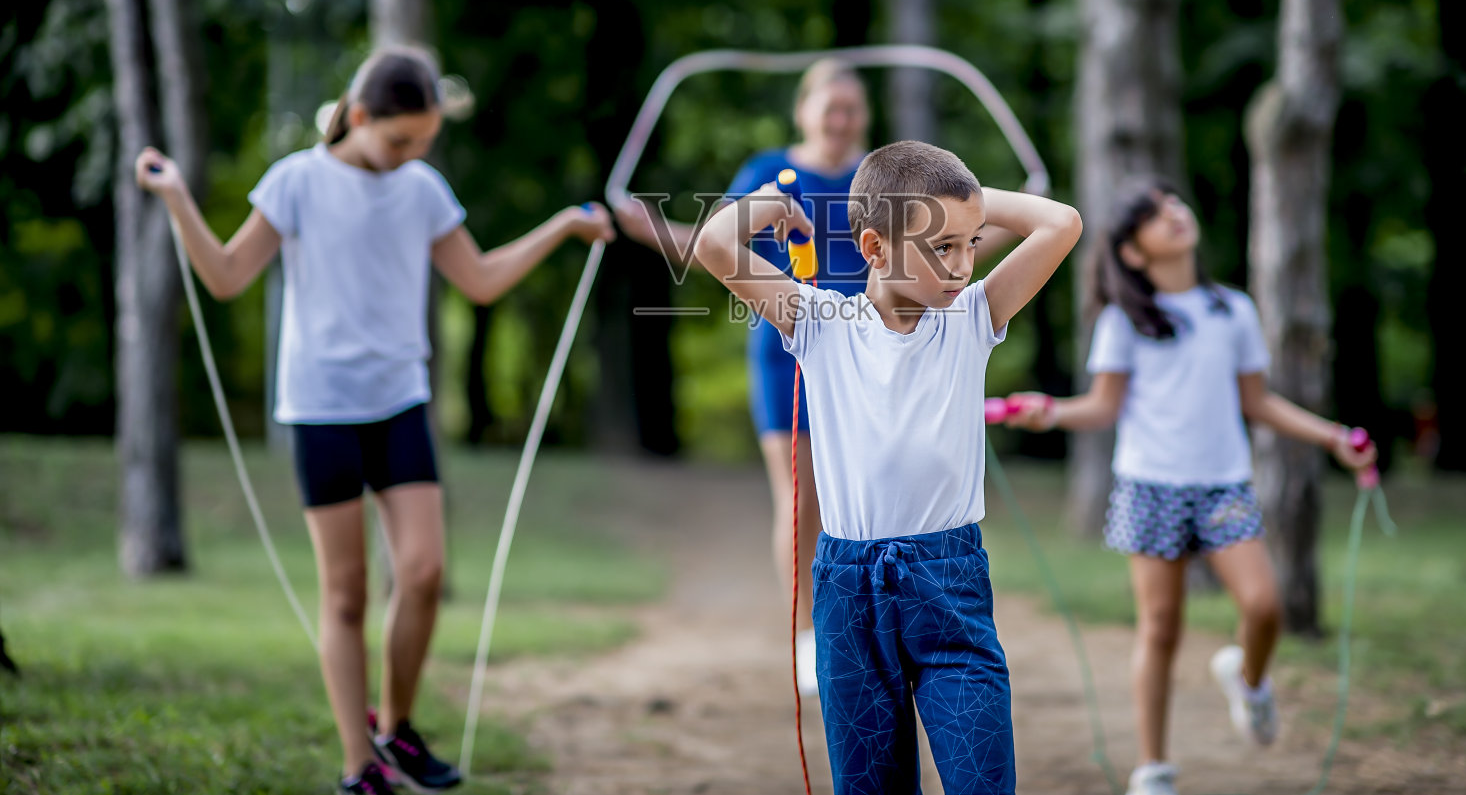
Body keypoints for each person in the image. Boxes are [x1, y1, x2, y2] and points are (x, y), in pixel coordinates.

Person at [136, 46, 613, 795]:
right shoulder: (296, 180)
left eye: (423, 141)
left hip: (400, 401)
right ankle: (360, 769)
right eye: (400, 140)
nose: (410, 155)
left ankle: (397, 727)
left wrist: (560, 228)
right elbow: (226, 276)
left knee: (422, 572)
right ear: (359, 117)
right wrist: (174, 197)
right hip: (321, 408)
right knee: (348, 594)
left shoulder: (420, 187)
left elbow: (480, 279)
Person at [695, 139, 1082, 794]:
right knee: (870, 783)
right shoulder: (819, 321)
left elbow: (1061, 223)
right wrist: (771, 204)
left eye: (971, 242)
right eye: (942, 248)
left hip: (949, 585)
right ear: (874, 248)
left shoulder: (973, 316)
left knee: (982, 779)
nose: (962, 265)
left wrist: (962, 200)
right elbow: (712, 245)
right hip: (848, 594)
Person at [999, 178, 1373, 795]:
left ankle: (1248, 680)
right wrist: (1050, 411)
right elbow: (1101, 407)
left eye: (1174, 202)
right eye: (1152, 215)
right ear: (1133, 253)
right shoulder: (1124, 321)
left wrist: (1334, 437)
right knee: (1161, 628)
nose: (1173, 213)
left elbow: (1258, 402)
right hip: (1150, 490)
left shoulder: (1233, 310)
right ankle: (1153, 769)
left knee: (1263, 605)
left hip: (1223, 489)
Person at [613, 58, 870, 695]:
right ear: (804, 111)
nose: (840, 120)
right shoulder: (767, 171)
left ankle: (867, 627)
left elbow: (934, 247)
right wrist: (645, 228)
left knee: (867, 497)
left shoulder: (880, 174)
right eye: (829, 107)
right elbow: (711, 245)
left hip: (870, 352)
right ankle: (810, 638)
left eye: (851, 109)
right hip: (787, 350)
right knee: (802, 498)